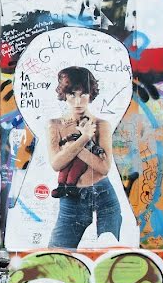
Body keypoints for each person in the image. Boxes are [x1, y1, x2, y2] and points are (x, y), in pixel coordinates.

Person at [47, 66, 122, 248]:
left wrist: (72, 145)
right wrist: (85, 138)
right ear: (64, 94)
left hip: (102, 194)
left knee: (107, 254)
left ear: (91, 94)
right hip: (71, 197)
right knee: (57, 256)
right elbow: (56, 164)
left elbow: (104, 168)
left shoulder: (101, 125)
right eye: (72, 94)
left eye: (84, 94)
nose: (78, 101)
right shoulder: (55, 125)